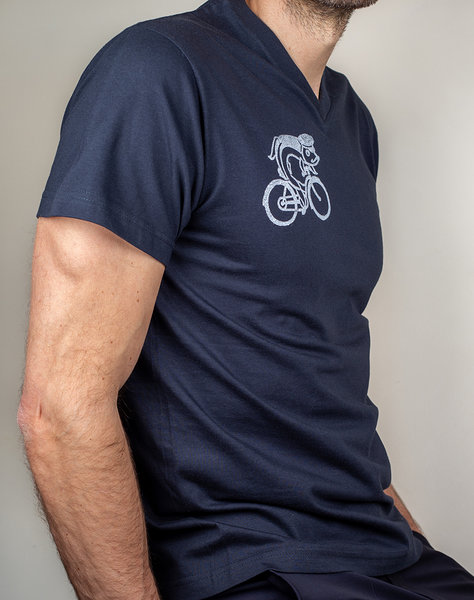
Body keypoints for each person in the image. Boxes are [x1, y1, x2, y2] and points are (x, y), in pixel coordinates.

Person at [17, 0, 474, 599]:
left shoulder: (352, 121)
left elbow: (323, 383)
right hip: (255, 569)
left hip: (386, 552)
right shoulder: (156, 71)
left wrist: (412, 542)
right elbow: (60, 409)